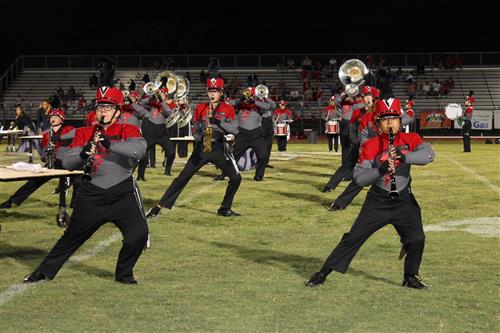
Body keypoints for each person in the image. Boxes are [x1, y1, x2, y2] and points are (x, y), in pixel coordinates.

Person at [23, 86, 148, 284]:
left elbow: (139, 150)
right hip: (92, 194)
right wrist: (83, 153)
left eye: (108, 107)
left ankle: (124, 274)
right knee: (71, 238)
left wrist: (109, 144)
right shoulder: (84, 132)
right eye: (100, 107)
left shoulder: (128, 129)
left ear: (117, 111)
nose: (103, 111)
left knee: (138, 235)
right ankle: (43, 272)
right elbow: (66, 162)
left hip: (123, 192)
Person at [305, 99, 435, 289]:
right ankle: (323, 272)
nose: (390, 123)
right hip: (378, 201)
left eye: (394, 119)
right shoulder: (371, 145)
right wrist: (381, 169)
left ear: (400, 121)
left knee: (417, 238)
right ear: (378, 123)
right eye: (385, 120)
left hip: (403, 200)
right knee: (353, 238)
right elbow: (359, 179)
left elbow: (429, 155)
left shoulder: (411, 138)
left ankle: (410, 277)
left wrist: (404, 157)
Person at [145, 78, 242, 218]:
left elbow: (235, 130)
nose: (212, 94)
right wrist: (198, 137)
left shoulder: (228, 108)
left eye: (215, 91)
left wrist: (219, 122)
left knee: (236, 178)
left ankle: (224, 208)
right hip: (202, 147)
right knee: (182, 177)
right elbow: (195, 129)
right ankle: (158, 207)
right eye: (210, 91)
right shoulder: (200, 107)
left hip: (219, 147)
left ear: (221, 92)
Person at [0, 109, 77, 226]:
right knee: (33, 182)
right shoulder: (47, 134)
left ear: (62, 119)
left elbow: (75, 134)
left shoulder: (68, 129)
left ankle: (68, 207)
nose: (53, 118)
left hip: (67, 163)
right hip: (52, 163)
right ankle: (12, 202)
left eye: (56, 116)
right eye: (51, 116)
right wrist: (45, 157)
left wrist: (59, 138)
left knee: (69, 184)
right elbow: (45, 149)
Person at [133, 88, 176, 179]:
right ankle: (140, 176)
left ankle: (167, 171)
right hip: (150, 133)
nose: (161, 95)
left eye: (163, 94)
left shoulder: (168, 105)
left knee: (171, 152)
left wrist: (161, 100)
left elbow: (168, 112)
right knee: (143, 154)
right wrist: (151, 97)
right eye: (160, 94)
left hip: (162, 133)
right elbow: (140, 103)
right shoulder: (151, 106)